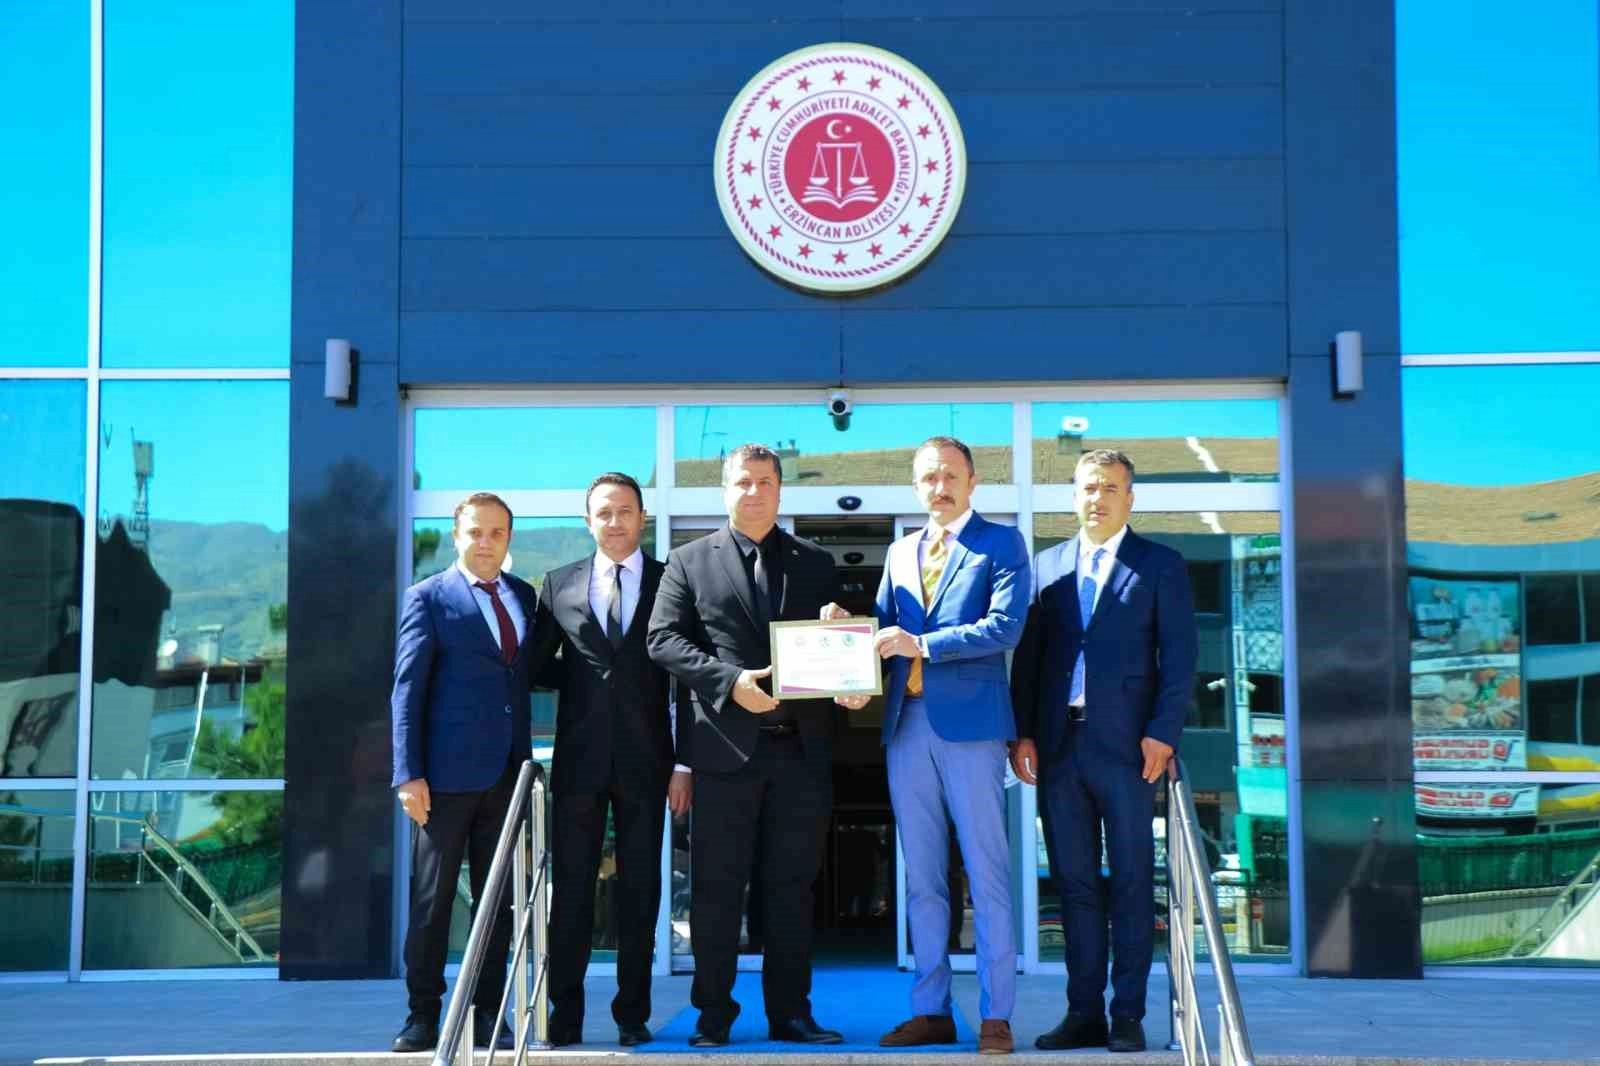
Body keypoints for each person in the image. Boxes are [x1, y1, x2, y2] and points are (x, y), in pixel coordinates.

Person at [645, 443, 862, 1048]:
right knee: (717, 892)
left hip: (800, 753)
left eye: (765, 481)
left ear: (779, 490)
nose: (754, 491)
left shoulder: (815, 561)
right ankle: (713, 1015)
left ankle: (791, 1014)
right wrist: (729, 681)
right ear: (725, 490)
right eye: (743, 481)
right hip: (724, 754)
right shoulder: (688, 561)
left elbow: (836, 643)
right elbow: (662, 640)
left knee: (792, 891)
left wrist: (840, 635)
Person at [1009, 449, 1197, 1053]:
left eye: (1111, 488)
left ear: (1129, 498)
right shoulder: (1046, 566)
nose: (1099, 497)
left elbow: (1180, 658)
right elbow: (1030, 660)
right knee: (1075, 884)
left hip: (1130, 750)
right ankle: (1083, 1012)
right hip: (1060, 747)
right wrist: (1023, 733)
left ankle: (1127, 1016)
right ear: (1075, 496)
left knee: (1133, 883)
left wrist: (1164, 731)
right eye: (1090, 487)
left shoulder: (1160, 565)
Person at [872, 437, 1029, 1057]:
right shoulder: (898, 551)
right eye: (929, 479)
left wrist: (923, 646)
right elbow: (882, 635)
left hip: (972, 729)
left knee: (987, 875)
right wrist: (848, 660)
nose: (940, 488)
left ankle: (996, 1017)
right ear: (916, 486)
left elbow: (1005, 627)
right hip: (906, 726)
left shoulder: (1002, 543)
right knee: (922, 880)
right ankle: (930, 1010)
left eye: (950, 477)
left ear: (972, 481)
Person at [527, 472, 691, 1048]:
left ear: (642, 517)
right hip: (579, 761)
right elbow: (537, 664)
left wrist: (685, 764)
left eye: (625, 511)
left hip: (650, 762)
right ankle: (564, 1015)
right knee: (572, 890)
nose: (615, 521)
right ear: (588, 521)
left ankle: (632, 1014)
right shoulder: (559, 583)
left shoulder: (672, 580)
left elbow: (687, 679)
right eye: (604, 512)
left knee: (640, 892)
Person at [390, 492, 536, 1053]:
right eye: (475, 531)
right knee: (432, 903)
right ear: (457, 536)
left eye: (496, 532)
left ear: (508, 538)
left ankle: (487, 1011)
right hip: (443, 781)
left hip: (508, 777)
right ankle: (423, 1016)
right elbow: (407, 690)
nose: (485, 542)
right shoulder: (428, 598)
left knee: (497, 903)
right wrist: (408, 774)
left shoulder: (523, 596)